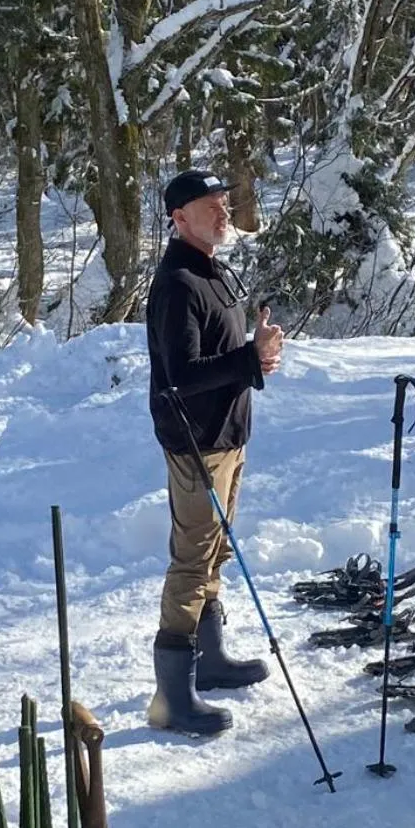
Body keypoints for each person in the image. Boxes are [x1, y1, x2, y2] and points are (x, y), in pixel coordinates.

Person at [145, 170, 284, 736]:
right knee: (192, 559)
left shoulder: (213, 271)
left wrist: (257, 356)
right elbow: (181, 375)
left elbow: (222, 355)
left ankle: (214, 660)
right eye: (209, 204)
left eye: (223, 200)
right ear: (179, 218)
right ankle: (172, 697)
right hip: (197, 444)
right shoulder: (177, 281)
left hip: (227, 436)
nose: (223, 210)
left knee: (217, 551)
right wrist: (250, 359)